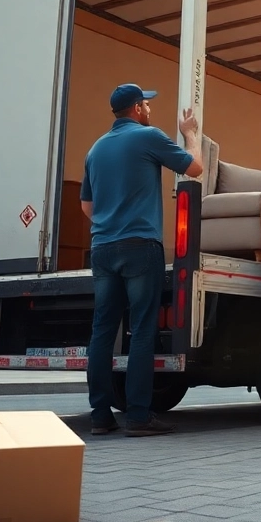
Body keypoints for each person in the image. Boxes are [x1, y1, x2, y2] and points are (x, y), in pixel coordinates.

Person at [81, 83, 203, 438]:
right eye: (147, 104)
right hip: (140, 246)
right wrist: (190, 133)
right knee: (142, 329)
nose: (150, 108)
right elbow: (194, 168)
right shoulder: (148, 137)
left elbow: (86, 206)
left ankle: (101, 415)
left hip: (103, 247)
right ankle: (137, 415)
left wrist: (110, 222)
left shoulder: (95, 149)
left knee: (103, 331)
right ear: (137, 108)